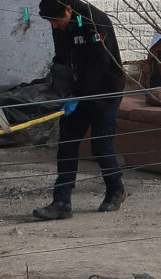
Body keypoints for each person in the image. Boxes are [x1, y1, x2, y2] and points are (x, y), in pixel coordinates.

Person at [33, 0, 126, 220]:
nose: (54, 26)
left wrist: (80, 94)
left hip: (105, 91)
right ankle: (61, 202)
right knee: (67, 143)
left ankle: (116, 189)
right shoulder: (60, 22)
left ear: (68, 10)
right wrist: (57, 88)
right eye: (50, 22)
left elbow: (100, 64)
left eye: (56, 21)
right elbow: (62, 58)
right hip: (77, 91)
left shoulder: (96, 22)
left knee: (100, 146)